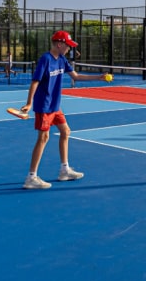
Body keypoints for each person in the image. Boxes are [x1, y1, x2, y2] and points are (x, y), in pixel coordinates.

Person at [21, 30, 110, 189]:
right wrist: (29, 103)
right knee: (43, 138)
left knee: (65, 131)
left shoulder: (62, 59)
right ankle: (31, 178)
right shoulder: (45, 59)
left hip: (55, 106)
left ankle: (64, 170)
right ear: (59, 44)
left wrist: (98, 77)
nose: (69, 48)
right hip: (44, 106)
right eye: (68, 45)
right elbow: (35, 82)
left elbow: (75, 76)